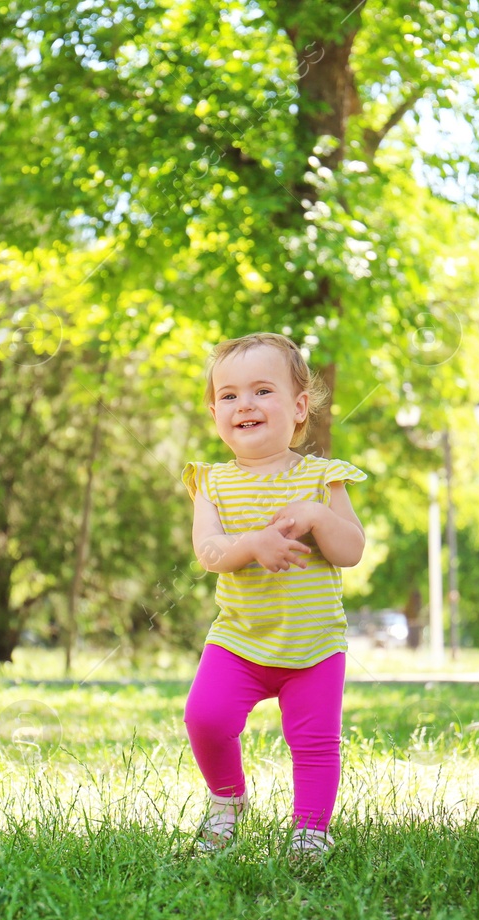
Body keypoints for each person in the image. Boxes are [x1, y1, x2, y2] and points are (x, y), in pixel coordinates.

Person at [179, 332, 367, 861]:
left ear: (299, 406)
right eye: (230, 395)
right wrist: (252, 544)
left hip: (313, 645)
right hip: (239, 638)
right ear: (215, 410)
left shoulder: (322, 477)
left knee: (314, 744)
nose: (245, 405)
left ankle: (310, 830)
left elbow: (351, 550)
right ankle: (226, 800)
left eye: (263, 391)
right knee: (205, 717)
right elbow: (209, 552)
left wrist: (318, 518)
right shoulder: (210, 483)